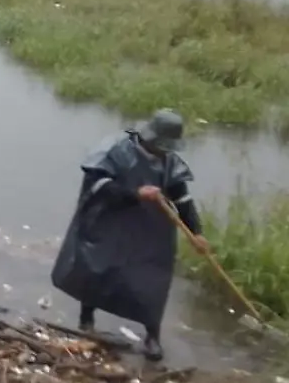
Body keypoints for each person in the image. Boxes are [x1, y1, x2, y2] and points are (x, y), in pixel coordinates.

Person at [51, 108, 208, 362]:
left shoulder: (170, 162)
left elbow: (182, 198)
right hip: (111, 221)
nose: (166, 151)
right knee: (97, 267)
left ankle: (152, 336)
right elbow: (98, 187)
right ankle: (86, 319)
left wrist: (196, 231)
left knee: (152, 279)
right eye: (163, 145)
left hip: (149, 229)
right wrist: (135, 194)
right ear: (152, 138)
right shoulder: (115, 150)